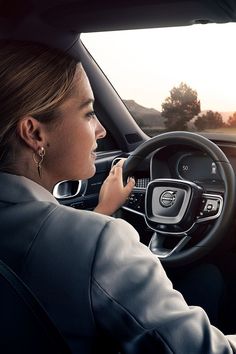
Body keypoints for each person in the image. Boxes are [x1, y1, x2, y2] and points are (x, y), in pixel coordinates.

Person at [0, 40, 235, 354]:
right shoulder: (103, 241)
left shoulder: (84, 237)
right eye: (88, 114)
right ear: (34, 133)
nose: (100, 130)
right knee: (209, 277)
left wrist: (104, 210)